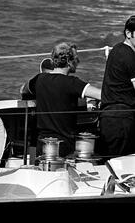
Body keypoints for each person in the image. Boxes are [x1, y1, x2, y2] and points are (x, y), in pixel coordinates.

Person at [20, 42, 101, 157]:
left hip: (42, 144)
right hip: (63, 146)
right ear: (70, 62)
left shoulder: (39, 79)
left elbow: (23, 90)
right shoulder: (72, 83)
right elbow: (101, 95)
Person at [98, 16, 135, 159]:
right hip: (121, 120)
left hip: (110, 117)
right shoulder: (129, 55)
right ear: (128, 33)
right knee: (123, 165)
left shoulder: (117, 50)